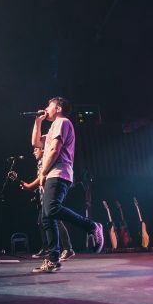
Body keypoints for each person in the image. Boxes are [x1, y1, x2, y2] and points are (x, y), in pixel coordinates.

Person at [25, 97, 103, 272]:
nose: (46, 109)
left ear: (58, 108)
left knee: (51, 209)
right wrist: (38, 122)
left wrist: (43, 173)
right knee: (47, 217)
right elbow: (36, 143)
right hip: (51, 174)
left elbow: (54, 149)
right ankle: (53, 259)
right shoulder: (54, 126)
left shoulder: (62, 122)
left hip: (58, 173)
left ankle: (91, 226)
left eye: (49, 106)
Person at [21, 144, 75, 261]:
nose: (33, 152)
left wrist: (29, 186)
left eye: (36, 149)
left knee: (55, 221)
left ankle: (67, 248)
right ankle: (49, 249)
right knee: (43, 221)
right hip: (43, 196)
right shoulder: (40, 162)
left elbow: (43, 177)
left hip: (50, 195)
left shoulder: (46, 160)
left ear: (43, 150)